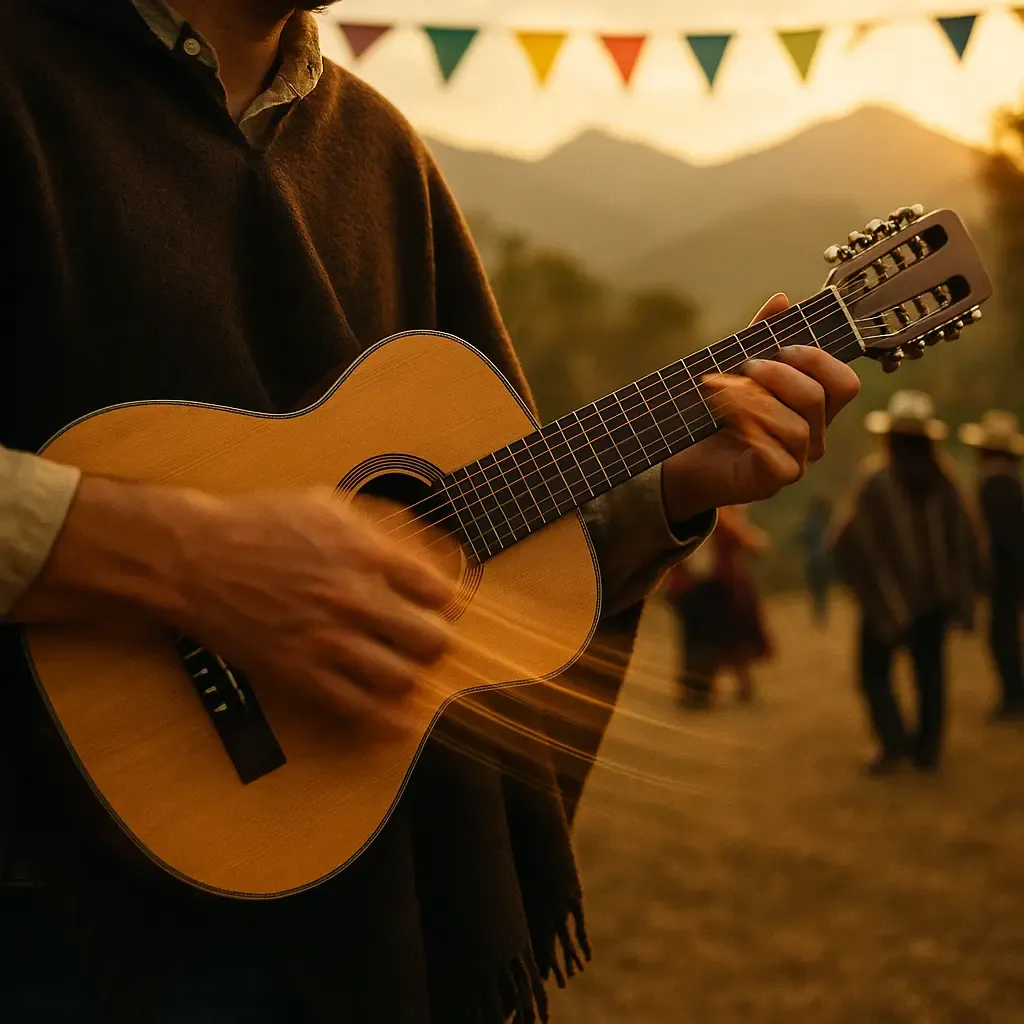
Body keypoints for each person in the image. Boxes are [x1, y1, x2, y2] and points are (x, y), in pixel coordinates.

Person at [0, 2, 861, 1021]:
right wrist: (181, 556)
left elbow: (467, 522)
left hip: (362, 883)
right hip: (51, 916)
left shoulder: (378, 153)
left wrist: (672, 486)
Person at [830, 390, 983, 776]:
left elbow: (847, 541)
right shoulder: (945, 479)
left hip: (886, 600)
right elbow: (967, 538)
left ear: (891, 438)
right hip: (935, 600)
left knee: (874, 674)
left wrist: (867, 587)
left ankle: (894, 743)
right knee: (930, 676)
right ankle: (926, 751)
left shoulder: (876, 478)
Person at [664, 506, 772, 707]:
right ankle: (699, 691)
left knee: (695, 641)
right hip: (707, 588)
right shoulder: (718, 514)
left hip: (693, 588)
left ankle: (696, 691)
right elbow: (756, 544)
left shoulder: (681, 513)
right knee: (710, 639)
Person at [959, 410, 1024, 720]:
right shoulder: (1011, 482)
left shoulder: (994, 484)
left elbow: (1001, 538)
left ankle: (1014, 698)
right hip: (1011, 571)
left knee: (1003, 637)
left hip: (1006, 574)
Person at [800, 496, 834, 627]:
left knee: (815, 592)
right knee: (823, 592)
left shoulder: (809, 523)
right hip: (823, 562)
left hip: (811, 562)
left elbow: (801, 539)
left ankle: (818, 617)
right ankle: (822, 617)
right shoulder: (827, 524)